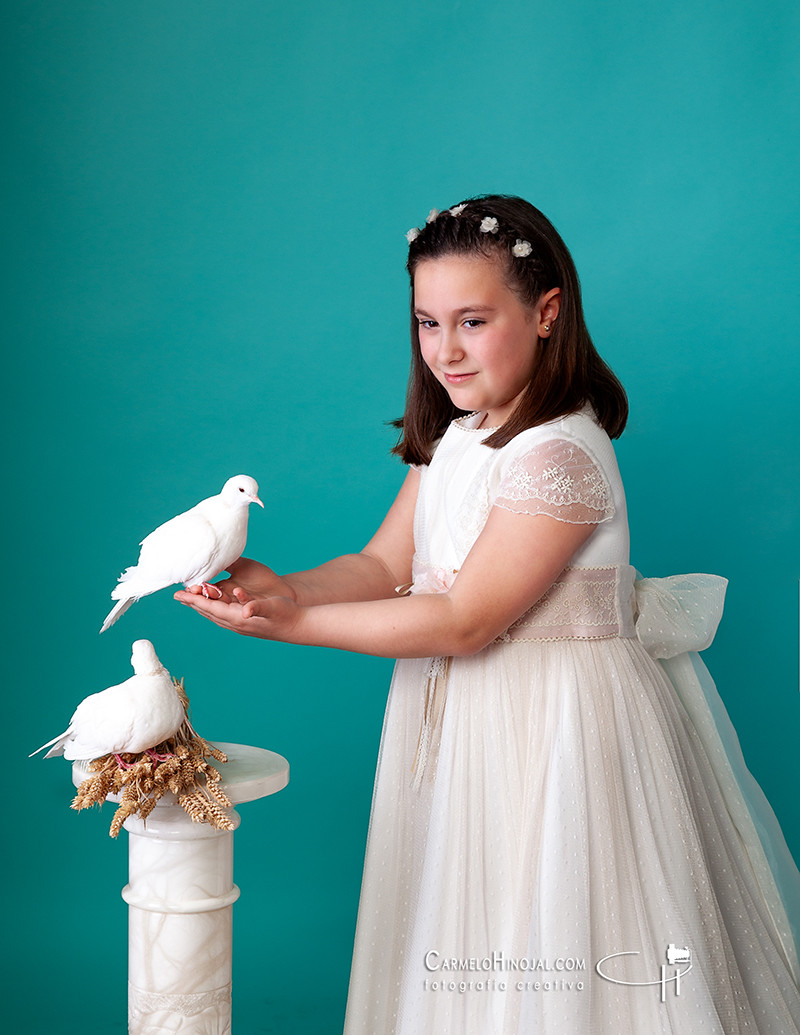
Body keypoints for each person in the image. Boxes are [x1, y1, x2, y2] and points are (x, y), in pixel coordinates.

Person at [176, 195, 800, 1033]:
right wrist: (280, 586)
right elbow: (383, 564)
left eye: (473, 320)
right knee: (464, 919)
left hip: (556, 731)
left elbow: (466, 619)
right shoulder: (459, 436)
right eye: (428, 323)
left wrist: (290, 625)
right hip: (468, 725)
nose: (446, 349)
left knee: (560, 933)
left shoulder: (561, 453)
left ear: (546, 312)